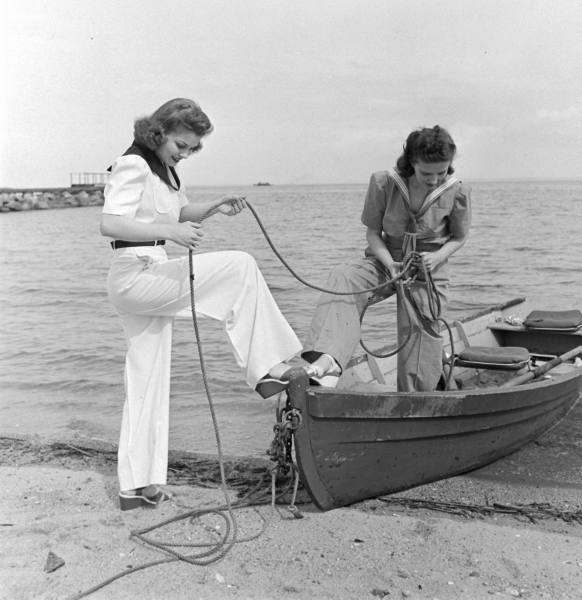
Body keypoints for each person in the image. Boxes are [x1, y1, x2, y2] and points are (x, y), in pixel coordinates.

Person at [100, 98, 306, 511]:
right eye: (182, 144)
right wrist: (171, 231)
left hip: (152, 271)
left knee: (147, 381)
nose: (186, 153)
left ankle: (138, 487)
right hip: (135, 272)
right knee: (239, 266)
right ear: (159, 132)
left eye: (192, 148)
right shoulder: (134, 163)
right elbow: (110, 222)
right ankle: (266, 368)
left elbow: (180, 211)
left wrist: (212, 208)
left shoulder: (164, 169)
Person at [303, 125, 471, 392]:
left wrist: (437, 258)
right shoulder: (384, 183)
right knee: (343, 277)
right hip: (386, 259)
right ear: (411, 163)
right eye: (427, 173)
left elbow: (459, 238)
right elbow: (373, 233)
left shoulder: (457, 191)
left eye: (442, 171)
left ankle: (418, 396)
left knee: (420, 329)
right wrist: (388, 263)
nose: (435, 179)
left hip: (428, 267)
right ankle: (328, 362)